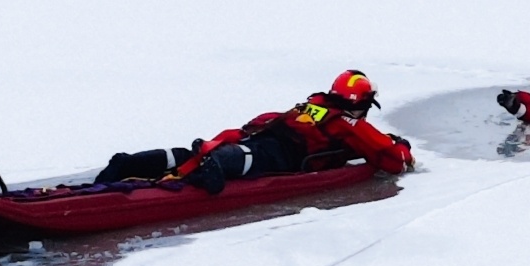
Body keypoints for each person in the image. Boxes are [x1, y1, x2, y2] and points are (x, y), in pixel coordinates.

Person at [94, 69, 416, 194]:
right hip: (279, 154)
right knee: (242, 158)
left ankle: (130, 162)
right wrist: (401, 147)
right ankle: (216, 165)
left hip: (261, 133)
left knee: (197, 152)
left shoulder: (313, 104)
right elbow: (391, 160)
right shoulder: (350, 124)